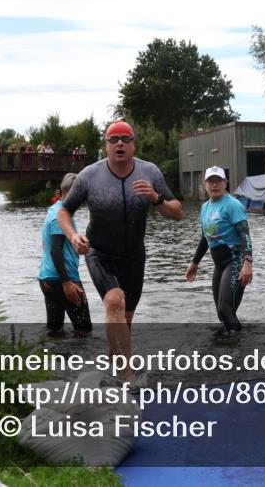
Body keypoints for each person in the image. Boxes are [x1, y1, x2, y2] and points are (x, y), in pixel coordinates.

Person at [58, 120, 183, 381]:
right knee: (114, 302)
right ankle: (127, 375)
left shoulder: (150, 172)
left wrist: (156, 198)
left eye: (125, 139)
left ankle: (114, 360)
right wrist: (73, 236)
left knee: (124, 318)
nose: (119, 144)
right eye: (113, 139)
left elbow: (177, 212)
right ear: (106, 146)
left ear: (133, 144)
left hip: (134, 256)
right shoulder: (89, 176)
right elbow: (64, 211)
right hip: (99, 252)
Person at [185, 166, 254, 333]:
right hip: (219, 265)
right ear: (205, 184)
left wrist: (248, 263)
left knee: (225, 310)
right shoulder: (205, 208)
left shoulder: (232, 205)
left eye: (218, 181)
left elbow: (245, 234)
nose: (214, 185)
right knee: (221, 313)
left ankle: (239, 345)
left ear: (225, 183)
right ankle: (230, 343)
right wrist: (194, 263)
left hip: (235, 261)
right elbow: (205, 238)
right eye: (211, 181)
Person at [38, 173, 91, 337]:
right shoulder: (59, 216)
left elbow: (55, 245)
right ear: (66, 193)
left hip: (47, 279)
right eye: (79, 195)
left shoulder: (54, 211)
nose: (81, 200)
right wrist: (67, 283)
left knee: (55, 332)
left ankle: (52, 354)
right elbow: (55, 249)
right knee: (84, 331)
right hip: (64, 279)